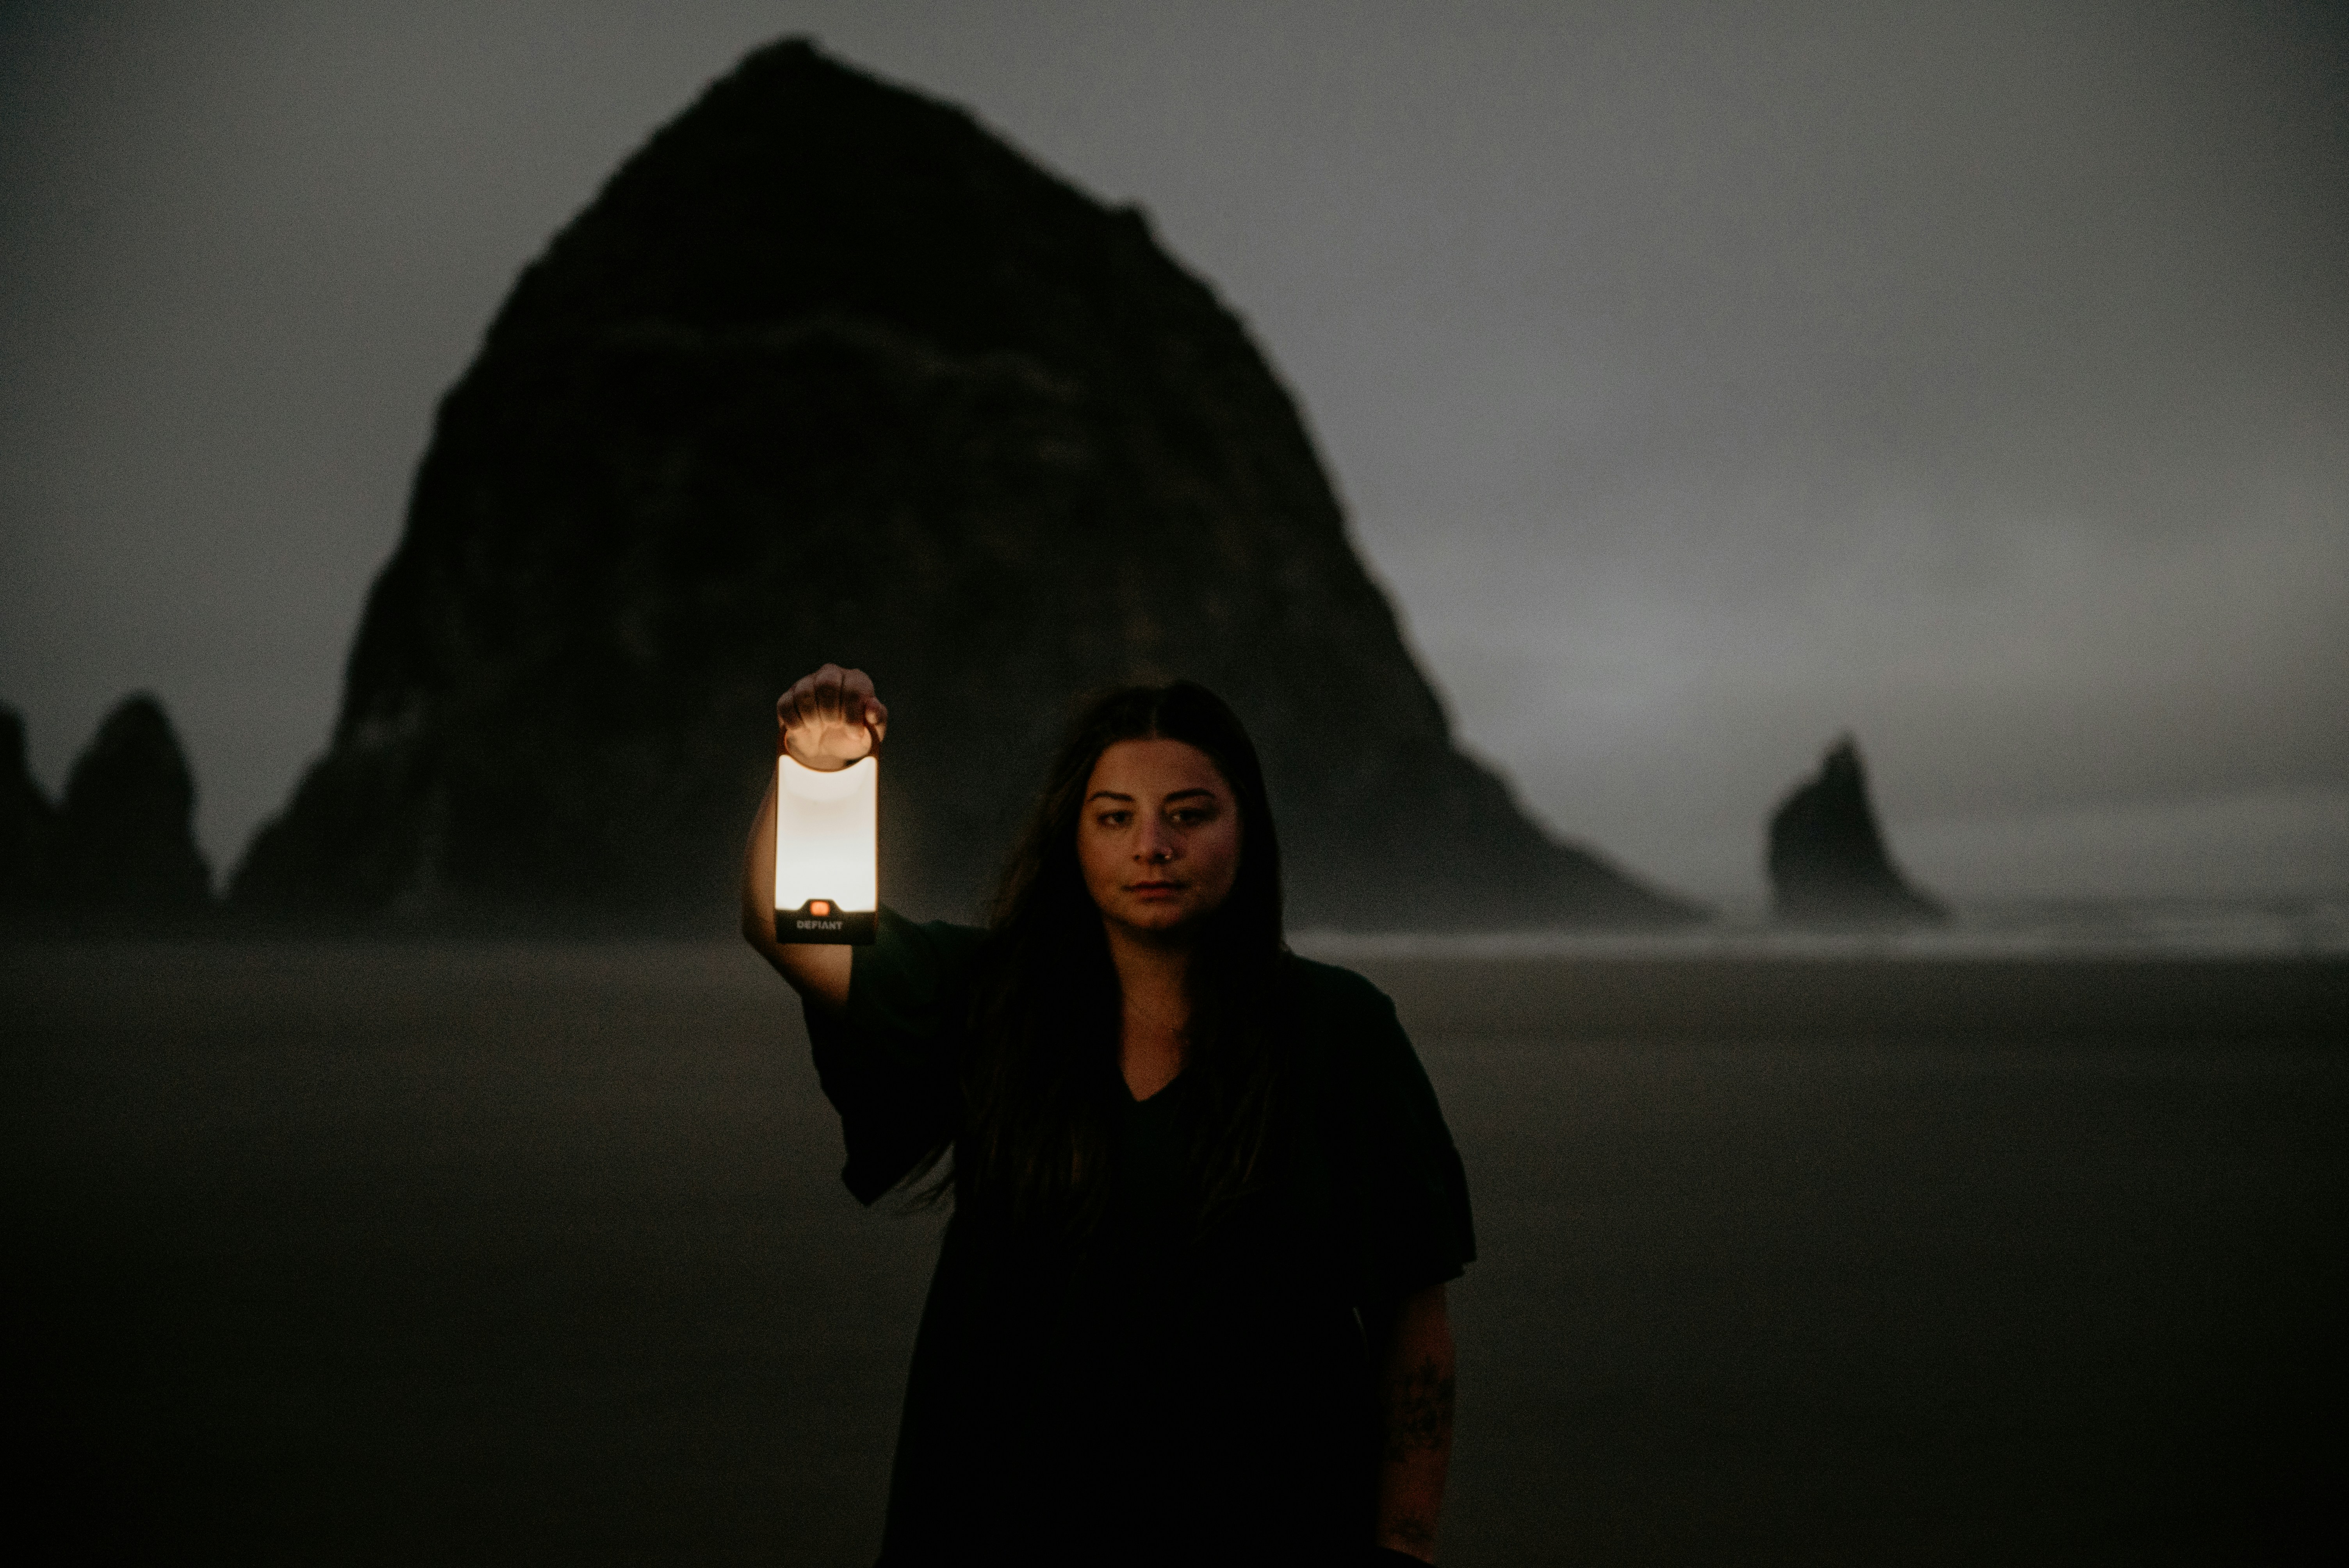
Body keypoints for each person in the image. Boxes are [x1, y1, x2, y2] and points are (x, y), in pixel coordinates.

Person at [741, 664, 1474, 1566]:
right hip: (1000, 1518)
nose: (1152, 845)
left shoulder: (1340, 1031)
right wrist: (820, 771)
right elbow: (800, 926)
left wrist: (1403, 1548)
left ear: (1247, 830)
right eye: (1115, 817)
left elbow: (1413, 1323)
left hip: (1271, 1521)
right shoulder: (989, 1000)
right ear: (1073, 838)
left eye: (1190, 814)